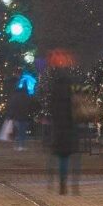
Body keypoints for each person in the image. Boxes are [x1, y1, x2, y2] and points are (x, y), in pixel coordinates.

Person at [43, 53, 80, 193]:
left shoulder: (54, 92)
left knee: (58, 156)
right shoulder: (72, 91)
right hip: (70, 127)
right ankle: (73, 184)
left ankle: (56, 182)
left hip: (58, 128)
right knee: (72, 156)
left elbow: (51, 110)